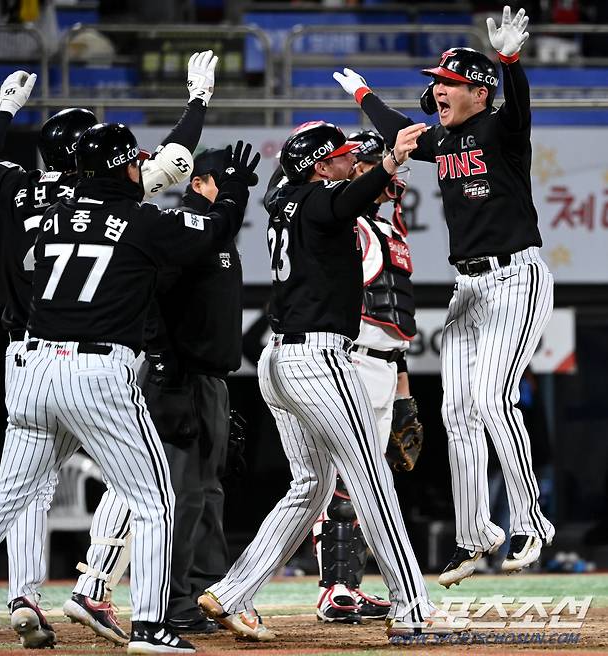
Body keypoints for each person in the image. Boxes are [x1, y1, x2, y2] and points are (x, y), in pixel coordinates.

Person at [0, 125, 258, 655]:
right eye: (134, 161)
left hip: (33, 365)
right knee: (155, 500)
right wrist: (233, 190)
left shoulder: (51, 212)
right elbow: (211, 230)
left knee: (4, 499)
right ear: (123, 167)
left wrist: (2, 113)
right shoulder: (141, 220)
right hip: (95, 372)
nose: (141, 167)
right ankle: (151, 626)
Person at [197, 120, 470, 641]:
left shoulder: (286, 197)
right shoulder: (321, 198)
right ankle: (413, 606)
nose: (353, 162)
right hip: (318, 359)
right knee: (371, 477)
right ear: (320, 167)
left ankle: (231, 593)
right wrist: (389, 163)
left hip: (278, 360)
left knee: (311, 486)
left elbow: (322, 189)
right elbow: (347, 198)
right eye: (342, 156)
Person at [333, 5, 555, 588]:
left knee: (491, 400)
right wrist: (364, 97)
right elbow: (400, 131)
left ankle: (532, 521)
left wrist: (509, 61)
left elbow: (520, 104)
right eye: (436, 84)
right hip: (469, 285)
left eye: (448, 83)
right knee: (455, 411)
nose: (437, 91)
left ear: (478, 92)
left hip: (516, 277)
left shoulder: (500, 128)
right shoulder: (445, 138)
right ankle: (473, 533)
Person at [63, 148, 244, 639]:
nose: (232, 196)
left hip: (209, 379)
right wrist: (166, 373)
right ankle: (169, 603)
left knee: (207, 493)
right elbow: (148, 304)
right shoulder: (178, 226)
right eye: (225, 185)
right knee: (179, 497)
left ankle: (205, 595)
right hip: (174, 378)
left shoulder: (214, 227)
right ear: (201, 182)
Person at [311, 130, 419, 624]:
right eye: (371, 162)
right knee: (339, 484)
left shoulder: (389, 229)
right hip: (346, 358)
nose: (392, 173)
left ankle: (350, 587)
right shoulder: (341, 220)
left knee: (368, 485)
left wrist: (404, 396)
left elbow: (396, 325)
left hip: (382, 364)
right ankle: (334, 587)